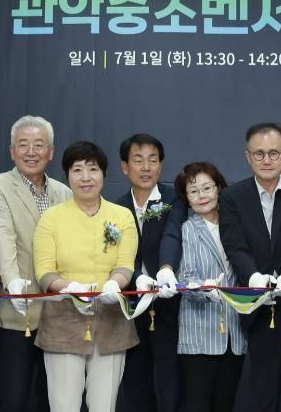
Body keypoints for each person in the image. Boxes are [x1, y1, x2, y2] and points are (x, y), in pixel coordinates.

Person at [219, 123, 281, 412]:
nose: (267, 160)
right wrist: (253, 276)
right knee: (263, 390)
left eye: (274, 153)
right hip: (261, 308)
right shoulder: (232, 197)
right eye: (259, 154)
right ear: (248, 156)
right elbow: (235, 245)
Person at [33, 141, 139, 412]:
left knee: (105, 405)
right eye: (77, 170)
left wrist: (115, 283)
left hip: (111, 322)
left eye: (93, 169)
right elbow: (44, 272)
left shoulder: (122, 216)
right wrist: (71, 288)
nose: (85, 177)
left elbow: (125, 265)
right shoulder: (51, 218)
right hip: (63, 323)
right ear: (67, 175)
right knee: (64, 405)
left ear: (104, 173)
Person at [0, 115, 71, 412]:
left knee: (53, 399)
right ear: (12, 151)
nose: (31, 152)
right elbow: (4, 236)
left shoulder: (65, 193)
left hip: (59, 315)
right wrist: (13, 282)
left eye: (38, 145)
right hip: (18, 313)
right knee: (13, 398)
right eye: (23, 144)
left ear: (50, 151)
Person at [114, 134, 187, 412]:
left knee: (170, 378)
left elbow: (172, 235)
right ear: (125, 167)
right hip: (131, 304)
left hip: (168, 301)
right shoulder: (115, 207)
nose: (146, 167)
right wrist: (136, 277)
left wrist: (166, 268)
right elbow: (115, 256)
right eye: (138, 160)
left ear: (161, 165)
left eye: (152, 160)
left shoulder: (174, 199)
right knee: (135, 379)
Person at [174, 162, 246, 412]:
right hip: (199, 335)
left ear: (219, 188)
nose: (202, 196)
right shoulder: (187, 230)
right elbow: (185, 277)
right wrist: (204, 289)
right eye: (193, 191)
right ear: (186, 198)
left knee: (225, 404)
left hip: (234, 335)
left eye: (207, 188)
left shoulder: (236, 225)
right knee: (197, 404)